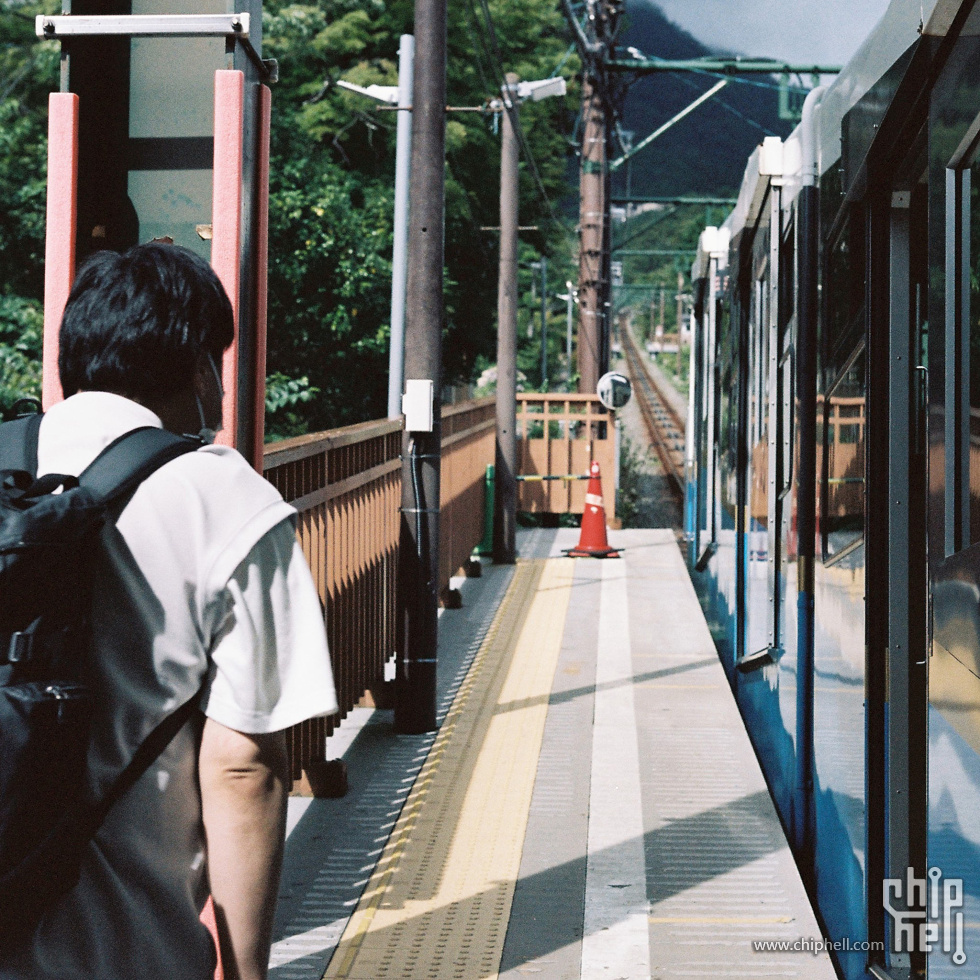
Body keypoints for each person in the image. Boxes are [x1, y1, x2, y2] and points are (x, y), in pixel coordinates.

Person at [0, 243, 337, 980]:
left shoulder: (7, 459)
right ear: (199, 366)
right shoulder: (223, 498)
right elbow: (243, 766)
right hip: (126, 949)